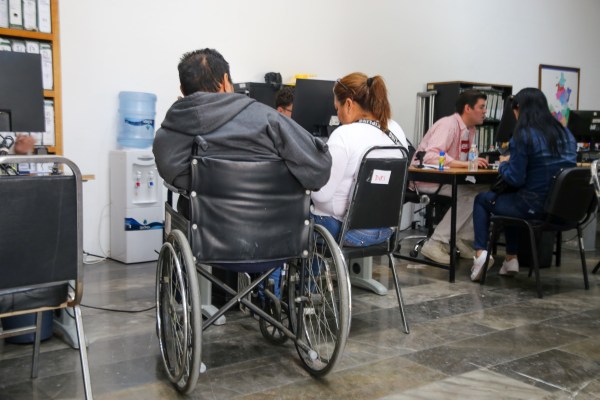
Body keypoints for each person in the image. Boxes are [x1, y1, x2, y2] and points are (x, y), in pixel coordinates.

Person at [152, 48, 331, 300]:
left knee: (184, 202)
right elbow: (318, 171)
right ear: (226, 81)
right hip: (279, 241)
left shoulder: (170, 131)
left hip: (207, 241)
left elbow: (173, 175)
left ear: (182, 89)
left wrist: (209, 184)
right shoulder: (270, 119)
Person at [469, 87, 577, 281]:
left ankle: (480, 255)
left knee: (482, 200)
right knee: (509, 198)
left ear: (519, 108)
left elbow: (515, 178)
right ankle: (511, 259)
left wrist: (504, 164)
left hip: (534, 208)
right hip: (564, 211)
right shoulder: (566, 134)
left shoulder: (523, 135)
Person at [311, 72, 408, 246]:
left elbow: (322, 197)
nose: (338, 114)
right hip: (385, 230)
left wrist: (307, 183)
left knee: (291, 217)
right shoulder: (395, 128)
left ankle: (308, 263)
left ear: (348, 104)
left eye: (337, 108)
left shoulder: (344, 135)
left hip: (345, 231)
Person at [414, 90, 489, 265]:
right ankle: (435, 243)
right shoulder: (448, 125)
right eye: (481, 107)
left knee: (484, 192)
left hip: (448, 179)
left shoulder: (470, 130)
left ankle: (460, 239)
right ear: (468, 108)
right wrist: (465, 164)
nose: (485, 111)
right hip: (428, 179)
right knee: (470, 196)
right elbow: (431, 156)